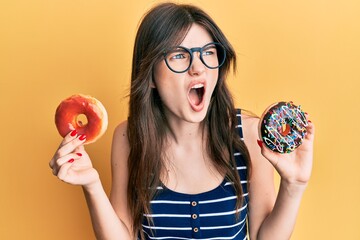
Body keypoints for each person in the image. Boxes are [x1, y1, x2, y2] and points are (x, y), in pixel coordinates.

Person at [49, 2, 315, 239]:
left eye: (208, 52)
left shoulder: (247, 133)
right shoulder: (129, 137)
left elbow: (262, 237)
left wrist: (294, 186)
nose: (198, 67)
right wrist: (91, 185)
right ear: (150, 76)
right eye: (179, 55)